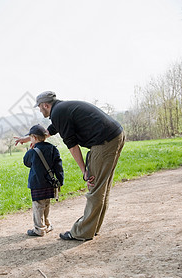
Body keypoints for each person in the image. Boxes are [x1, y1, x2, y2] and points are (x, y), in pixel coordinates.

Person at [15, 91, 125, 241]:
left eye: (40, 107)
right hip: (115, 136)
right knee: (102, 188)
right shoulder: (62, 109)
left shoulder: (59, 113)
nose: (40, 110)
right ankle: (92, 228)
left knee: (95, 187)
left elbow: (73, 146)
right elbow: (48, 132)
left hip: (103, 142)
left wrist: (84, 170)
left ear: (46, 105)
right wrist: (27, 139)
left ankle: (82, 232)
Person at [23, 124, 64, 237]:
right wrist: (60, 180)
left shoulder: (33, 151)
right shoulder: (52, 148)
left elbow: (26, 162)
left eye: (30, 137)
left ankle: (39, 229)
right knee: (46, 204)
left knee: (38, 206)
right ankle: (46, 224)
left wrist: (30, 150)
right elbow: (58, 166)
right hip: (50, 183)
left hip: (37, 184)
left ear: (34, 138)